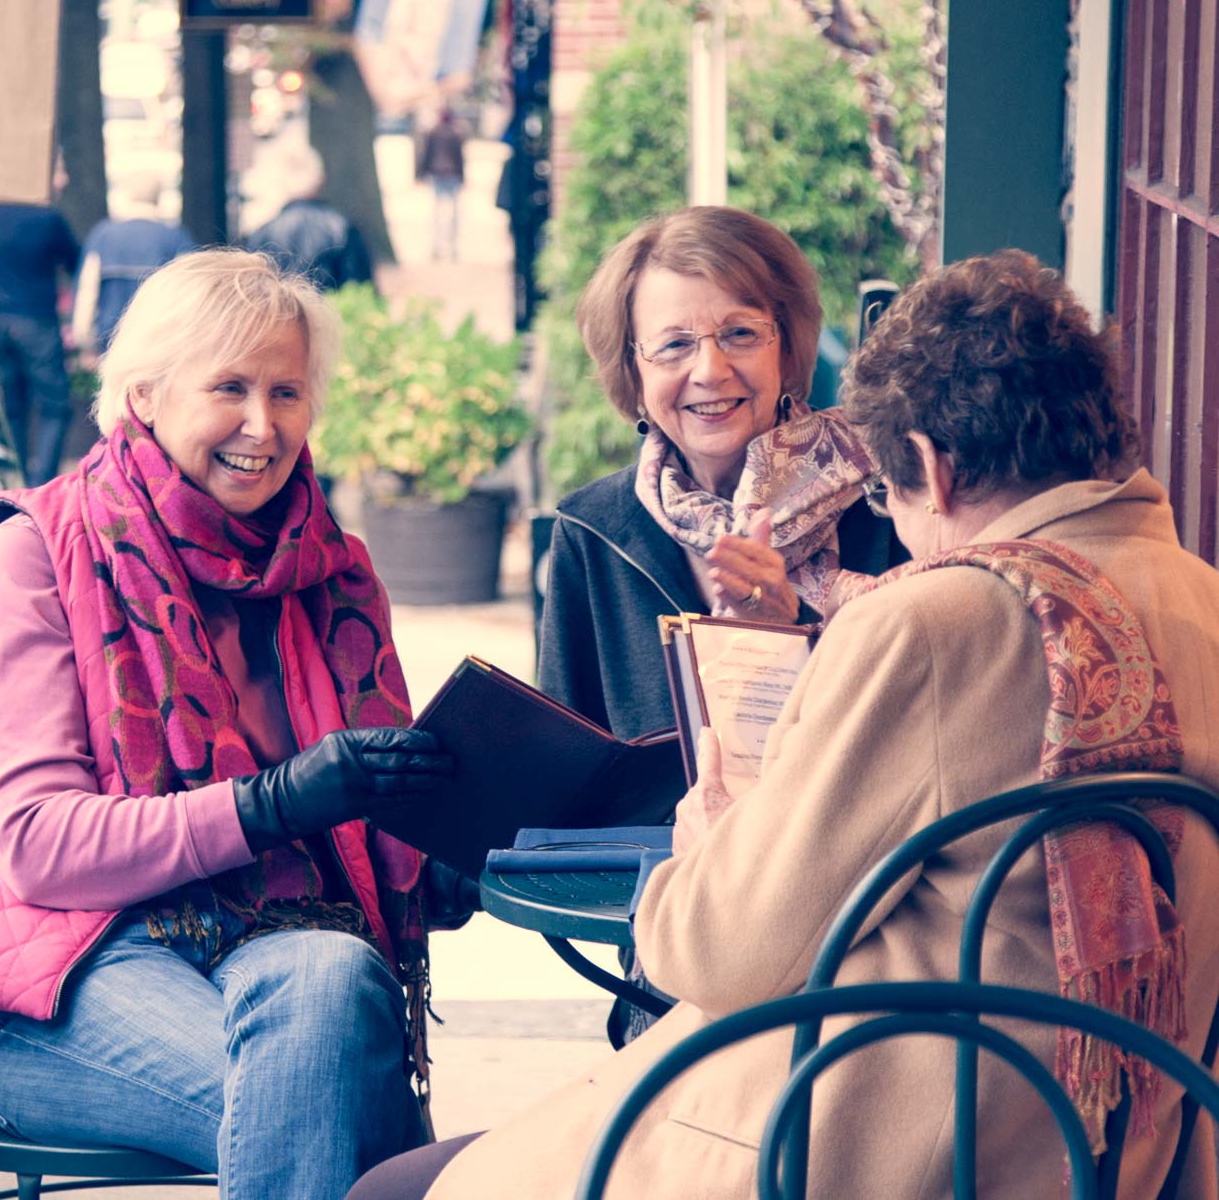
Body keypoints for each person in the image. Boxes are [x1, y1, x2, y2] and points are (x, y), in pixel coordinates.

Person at [352, 249, 1219, 1199]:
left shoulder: (939, 618)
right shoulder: (1202, 602)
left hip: (899, 1147)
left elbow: (721, 951)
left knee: (397, 1187)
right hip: (1129, 1147)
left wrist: (715, 832)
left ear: (931, 466)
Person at [0, 249, 473, 1200]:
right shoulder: (40, 549)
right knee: (346, 1100)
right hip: (65, 973)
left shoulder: (333, 568)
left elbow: (384, 850)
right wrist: (276, 803)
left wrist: (448, 840)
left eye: (287, 392)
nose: (263, 425)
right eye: (231, 389)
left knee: (332, 986)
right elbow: (39, 847)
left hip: (296, 955)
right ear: (145, 397)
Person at [538, 205, 904, 773]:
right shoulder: (591, 532)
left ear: (786, 348)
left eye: (739, 334)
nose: (709, 369)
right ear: (634, 372)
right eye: (674, 345)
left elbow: (914, 753)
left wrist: (785, 644)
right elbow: (567, 777)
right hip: (658, 862)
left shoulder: (889, 506)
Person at [0, 198, 82, 486]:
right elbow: (74, 259)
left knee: (13, 406)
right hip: (38, 320)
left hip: (1, 320)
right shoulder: (48, 217)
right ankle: (41, 484)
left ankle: (15, 480)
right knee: (55, 406)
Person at [70, 175, 196, 360]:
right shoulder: (176, 236)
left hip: (112, 339)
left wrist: (85, 340)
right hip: (161, 340)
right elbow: (191, 294)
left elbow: (87, 292)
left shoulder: (103, 235)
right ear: (158, 197)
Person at [245, 147, 374, 292]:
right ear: (321, 179)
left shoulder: (264, 233)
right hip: (328, 312)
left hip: (280, 313)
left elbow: (255, 293)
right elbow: (359, 290)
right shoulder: (342, 228)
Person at [416, 108, 467, 263]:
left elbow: (426, 154)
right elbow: (459, 158)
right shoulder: (455, 134)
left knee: (438, 213)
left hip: (438, 174)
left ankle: (438, 248)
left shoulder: (434, 132)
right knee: (452, 215)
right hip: (451, 175)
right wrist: (463, 177)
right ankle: (451, 249)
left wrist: (421, 173)